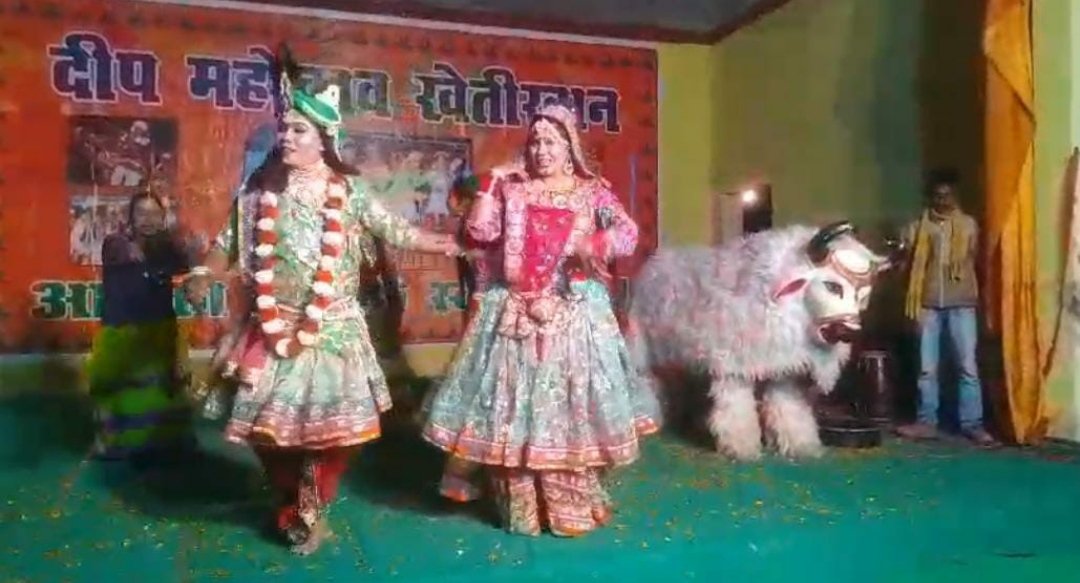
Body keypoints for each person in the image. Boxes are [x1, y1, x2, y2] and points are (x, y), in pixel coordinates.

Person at [184, 46, 462, 556]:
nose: (286, 137)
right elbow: (226, 244)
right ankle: (289, 497)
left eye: (299, 130)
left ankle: (309, 505)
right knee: (266, 432)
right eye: (284, 129)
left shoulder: (347, 192)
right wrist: (205, 272)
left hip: (331, 328)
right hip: (271, 329)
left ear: (324, 139)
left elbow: (395, 230)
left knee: (334, 435)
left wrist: (446, 243)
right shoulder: (258, 192)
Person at [419, 104, 660, 537]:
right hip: (514, 309)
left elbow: (627, 233)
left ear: (569, 149)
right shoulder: (514, 190)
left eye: (551, 142)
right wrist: (491, 185)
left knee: (570, 405)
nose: (541, 150)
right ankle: (522, 505)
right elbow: (480, 233)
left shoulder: (592, 192)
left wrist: (593, 243)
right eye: (535, 142)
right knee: (513, 405)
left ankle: (571, 503)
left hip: (575, 312)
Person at [85, 190, 199, 463]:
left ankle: (168, 443)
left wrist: (193, 260)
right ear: (130, 218)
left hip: (159, 329)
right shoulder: (116, 243)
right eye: (142, 213)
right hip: (121, 330)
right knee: (114, 390)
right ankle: (110, 443)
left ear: (163, 218)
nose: (148, 219)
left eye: (155, 214)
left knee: (165, 388)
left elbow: (189, 269)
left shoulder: (168, 248)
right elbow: (131, 255)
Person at [895, 168, 997, 446]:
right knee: (927, 369)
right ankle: (926, 422)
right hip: (927, 304)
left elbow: (977, 260)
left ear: (956, 196)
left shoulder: (969, 225)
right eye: (938, 196)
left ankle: (973, 424)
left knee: (967, 367)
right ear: (931, 197)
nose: (943, 201)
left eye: (948, 195)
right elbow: (905, 259)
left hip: (961, 303)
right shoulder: (918, 227)